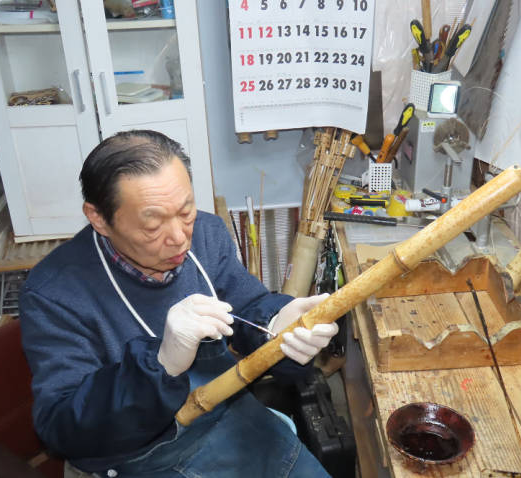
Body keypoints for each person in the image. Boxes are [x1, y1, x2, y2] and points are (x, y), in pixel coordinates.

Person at [19, 130, 339, 478]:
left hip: (225, 415)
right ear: (98, 218)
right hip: (137, 455)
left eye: (185, 211)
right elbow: (61, 427)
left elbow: (247, 309)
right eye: (152, 224)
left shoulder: (205, 234)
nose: (179, 238)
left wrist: (278, 324)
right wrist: (160, 365)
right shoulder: (54, 294)